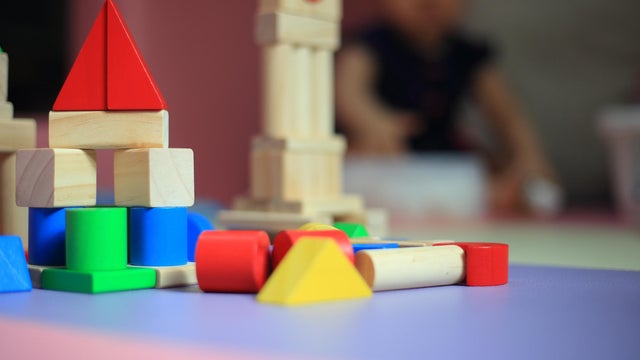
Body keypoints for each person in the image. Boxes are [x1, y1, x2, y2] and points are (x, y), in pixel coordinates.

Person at [335, 0, 561, 214]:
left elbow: (507, 115)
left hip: (443, 155)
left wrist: (530, 156)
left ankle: (506, 193)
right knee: (362, 171)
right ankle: (491, 196)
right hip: (392, 155)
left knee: (483, 167)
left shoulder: (467, 53)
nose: (429, 2)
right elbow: (348, 91)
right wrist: (371, 121)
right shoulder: (371, 44)